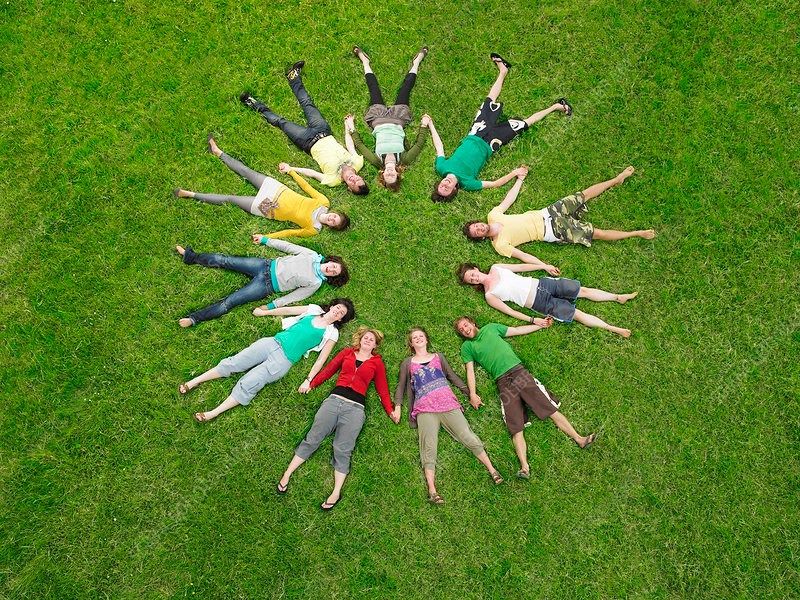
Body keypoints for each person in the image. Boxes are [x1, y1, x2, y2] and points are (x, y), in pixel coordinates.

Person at [455, 316, 597, 479]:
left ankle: (579, 439)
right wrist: (472, 394)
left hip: (518, 373)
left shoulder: (491, 328)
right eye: (461, 330)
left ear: (473, 322)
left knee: (549, 409)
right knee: (515, 426)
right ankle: (524, 467)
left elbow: (516, 331)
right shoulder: (467, 347)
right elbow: (470, 371)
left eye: (466, 325)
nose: (465, 330)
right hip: (503, 383)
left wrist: (540, 325)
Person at [277, 326, 398, 511]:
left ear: (375, 345)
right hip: (333, 402)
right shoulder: (347, 353)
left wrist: (390, 411)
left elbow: (382, 387)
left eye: (372, 340)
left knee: (343, 448)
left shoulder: (377, 363)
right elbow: (329, 370)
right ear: (360, 339)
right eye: (366, 337)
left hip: (355, 409)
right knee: (313, 438)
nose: (368, 340)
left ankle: (336, 492)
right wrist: (312, 384)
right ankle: (287, 474)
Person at [179, 299, 356, 422]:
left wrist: (309, 380)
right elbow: (288, 310)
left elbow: (321, 360)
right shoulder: (313, 310)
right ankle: (194, 382)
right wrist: (265, 312)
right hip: (271, 343)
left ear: (341, 318)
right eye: (338, 307)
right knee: (234, 363)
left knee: (250, 383)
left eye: (341, 312)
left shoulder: (332, 333)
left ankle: (212, 413)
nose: (338, 311)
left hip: (283, 361)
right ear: (332, 306)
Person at [429, 53, 571, 202]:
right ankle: (557, 107)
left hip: (476, 132)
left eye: (441, 186)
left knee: (490, 100)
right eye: (447, 190)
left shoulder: (441, 167)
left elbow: (439, 147)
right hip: (492, 143)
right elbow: (494, 184)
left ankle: (503, 71)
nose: (445, 185)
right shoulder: (467, 183)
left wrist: (431, 124)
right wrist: (514, 173)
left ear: (439, 182)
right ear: (455, 189)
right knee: (524, 124)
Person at [395, 327, 504, 504]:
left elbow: (452, 376)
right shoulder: (408, 363)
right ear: (411, 343)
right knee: (429, 446)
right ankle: (432, 490)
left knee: (468, 435)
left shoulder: (438, 357)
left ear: (426, 339)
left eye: (421, 336)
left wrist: (470, 394)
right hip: (425, 410)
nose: (418, 338)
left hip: (449, 405)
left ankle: (492, 470)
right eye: (414, 338)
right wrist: (398, 407)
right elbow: (401, 386)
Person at [463, 166, 655, 262]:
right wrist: (543, 265)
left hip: (548, 212)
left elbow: (508, 200)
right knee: (598, 233)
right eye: (477, 232)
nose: (480, 228)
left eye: (476, 226)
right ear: (480, 238)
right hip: (554, 231)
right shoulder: (499, 245)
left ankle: (616, 179)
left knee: (584, 195)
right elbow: (524, 257)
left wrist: (519, 180)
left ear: (478, 222)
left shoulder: (493, 215)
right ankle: (637, 233)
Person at [174, 135, 349, 239]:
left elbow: (289, 232)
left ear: (330, 227)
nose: (332, 219)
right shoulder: (323, 202)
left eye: (334, 223)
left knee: (231, 199)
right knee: (245, 171)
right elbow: (306, 187)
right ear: (335, 213)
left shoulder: (313, 229)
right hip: (278, 190)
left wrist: (267, 237)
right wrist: (290, 171)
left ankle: (190, 194)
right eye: (335, 217)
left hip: (270, 208)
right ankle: (218, 152)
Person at [240, 61, 368, 195]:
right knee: (307, 102)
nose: (353, 179)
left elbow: (312, 173)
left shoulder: (333, 180)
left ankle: (251, 102)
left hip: (307, 141)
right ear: (361, 177)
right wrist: (347, 127)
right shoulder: (358, 163)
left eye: (352, 184)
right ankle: (293, 76)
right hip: (323, 130)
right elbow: (350, 146)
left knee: (280, 122)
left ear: (348, 187)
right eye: (358, 179)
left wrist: (291, 168)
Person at [174, 239, 348, 327]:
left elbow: (294, 297)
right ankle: (191, 257)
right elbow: (288, 247)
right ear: (331, 261)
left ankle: (194, 318)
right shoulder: (312, 255)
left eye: (334, 272)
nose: (331, 269)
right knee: (225, 260)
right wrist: (266, 240)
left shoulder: (316, 282)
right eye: (333, 266)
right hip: (264, 265)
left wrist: (271, 306)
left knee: (230, 302)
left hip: (267, 286)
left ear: (331, 277)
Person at [458, 263, 638, 338]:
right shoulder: (489, 295)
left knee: (582, 291)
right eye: (471, 280)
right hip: (538, 303)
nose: (474, 278)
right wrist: (532, 320)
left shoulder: (496, 267)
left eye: (472, 274)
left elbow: (521, 267)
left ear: (475, 268)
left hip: (543, 284)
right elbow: (510, 311)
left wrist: (543, 266)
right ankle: (613, 328)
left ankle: (617, 297)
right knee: (577, 314)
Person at [348, 46, 431, 191]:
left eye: (387, 176)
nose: (390, 173)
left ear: (383, 174)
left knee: (374, 90)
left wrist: (351, 127)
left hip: (378, 118)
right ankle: (417, 61)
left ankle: (365, 61)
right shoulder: (404, 159)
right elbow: (418, 145)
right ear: (398, 174)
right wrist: (424, 126)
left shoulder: (377, 160)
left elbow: (360, 145)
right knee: (405, 90)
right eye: (393, 176)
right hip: (398, 119)